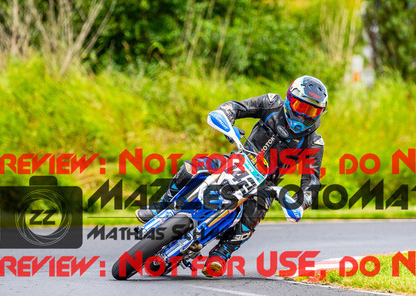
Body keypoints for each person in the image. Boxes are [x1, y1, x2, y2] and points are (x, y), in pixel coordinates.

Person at [135, 75, 328, 277]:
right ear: (289, 99)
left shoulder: (314, 142)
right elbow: (236, 107)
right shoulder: (271, 103)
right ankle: (162, 205)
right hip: (238, 159)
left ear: (320, 112)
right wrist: (225, 117)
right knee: (191, 168)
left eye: (312, 111)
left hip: (266, 183)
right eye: (300, 106)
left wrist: (298, 202)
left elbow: (311, 183)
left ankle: (222, 253)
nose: (303, 116)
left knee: (254, 213)